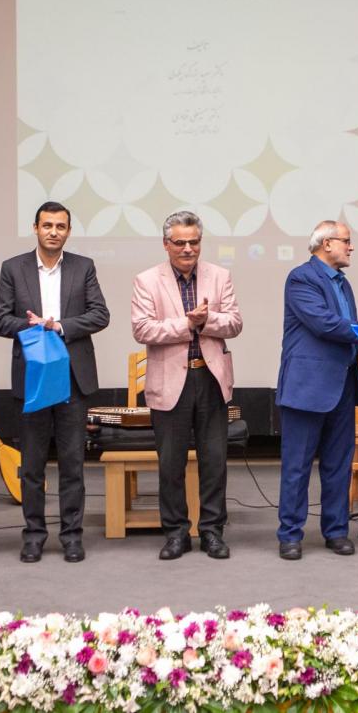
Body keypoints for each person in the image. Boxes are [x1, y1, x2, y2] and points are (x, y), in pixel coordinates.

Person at [0, 202, 109, 563]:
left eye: (60, 226)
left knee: (73, 464)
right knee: (32, 465)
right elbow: (0, 320)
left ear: (68, 231)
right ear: (35, 228)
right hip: (33, 378)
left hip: (73, 378)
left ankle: (72, 536)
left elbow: (100, 314)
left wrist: (58, 326)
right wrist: (32, 326)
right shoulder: (13, 268)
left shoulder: (83, 266)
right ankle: (33, 536)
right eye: (47, 225)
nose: (53, 232)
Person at [130, 210, 243, 560]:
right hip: (169, 381)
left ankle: (212, 531)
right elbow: (142, 329)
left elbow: (235, 323)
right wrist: (187, 324)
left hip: (210, 378)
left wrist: (207, 321)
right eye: (180, 243)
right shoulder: (147, 280)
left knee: (214, 461)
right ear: (166, 244)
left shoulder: (219, 276)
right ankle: (176, 533)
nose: (188, 249)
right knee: (171, 464)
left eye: (194, 242)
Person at [274, 220, 358, 560]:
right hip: (307, 387)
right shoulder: (301, 278)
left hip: (342, 384)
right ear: (326, 244)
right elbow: (325, 324)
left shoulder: (343, 282)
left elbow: (345, 327)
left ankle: (336, 531)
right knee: (297, 466)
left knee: (339, 465)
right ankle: (290, 534)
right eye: (346, 241)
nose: (351, 247)